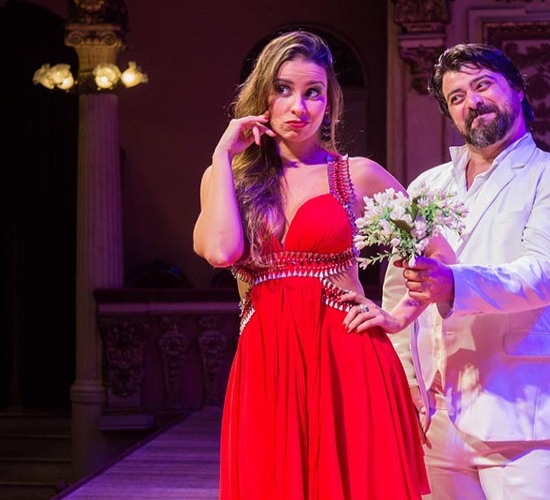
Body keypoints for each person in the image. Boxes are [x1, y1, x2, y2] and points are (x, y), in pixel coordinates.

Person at [193, 30, 453, 499]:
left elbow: (440, 255)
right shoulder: (226, 176)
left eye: (313, 92)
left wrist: (398, 316)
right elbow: (220, 252)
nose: (299, 106)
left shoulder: (358, 175)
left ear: (329, 102)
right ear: (261, 97)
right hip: (266, 365)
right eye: (283, 89)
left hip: (348, 360)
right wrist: (221, 154)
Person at [383, 43, 550, 499]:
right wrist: (407, 386)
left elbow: (544, 273)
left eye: (483, 85)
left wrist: (453, 283)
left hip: (520, 412)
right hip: (435, 418)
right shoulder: (426, 186)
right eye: (456, 97)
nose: (472, 102)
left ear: (517, 89)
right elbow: (400, 292)